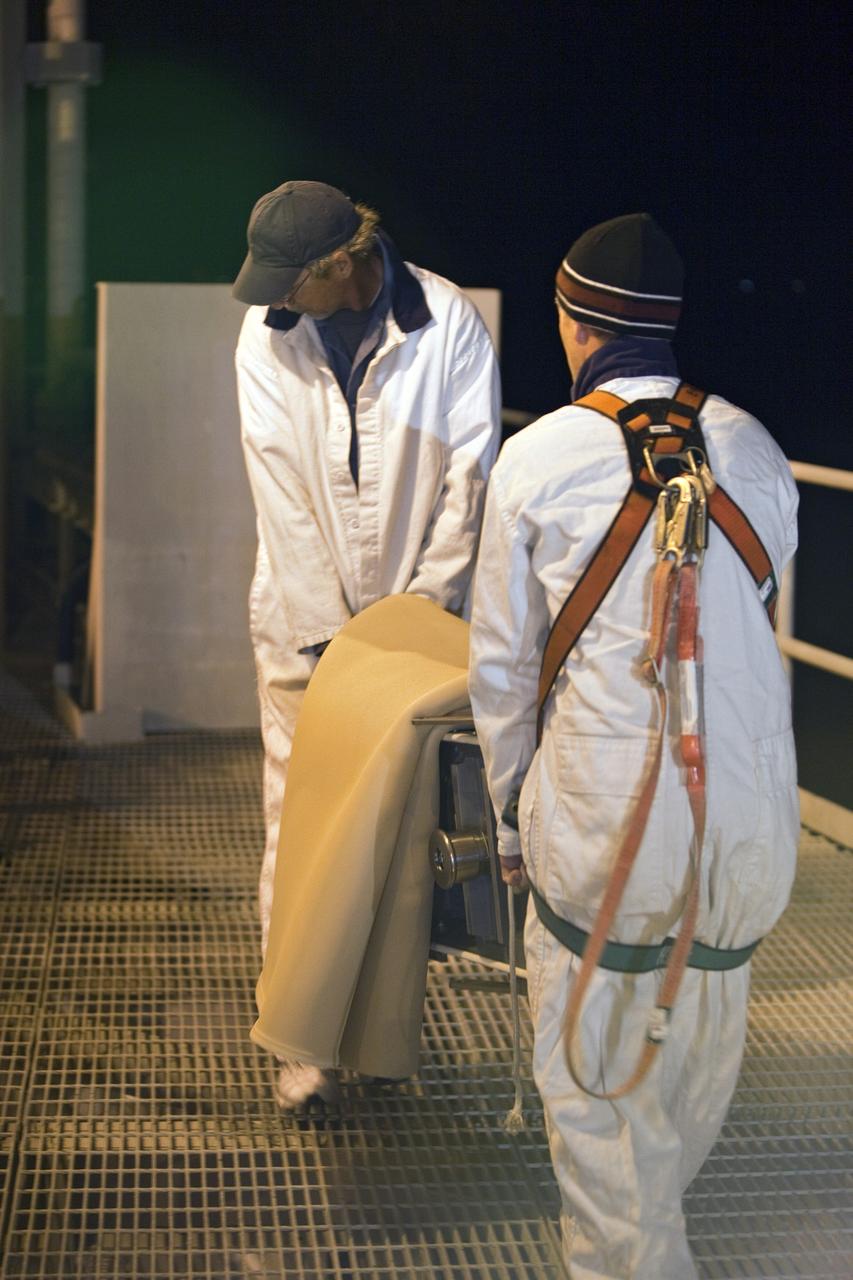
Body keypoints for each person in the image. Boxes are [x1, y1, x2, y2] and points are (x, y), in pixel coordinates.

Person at [468, 213, 799, 1278]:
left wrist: (514, 818)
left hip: (607, 831)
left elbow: (504, 673)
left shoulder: (535, 461)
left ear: (574, 326)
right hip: (743, 827)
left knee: (596, 1093)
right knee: (690, 1057)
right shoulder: (752, 446)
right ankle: (655, 1228)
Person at [232, 180, 501, 1107]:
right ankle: (305, 1040)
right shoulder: (267, 335)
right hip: (303, 634)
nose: (272, 296)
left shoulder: (450, 324)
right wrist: (326, 636)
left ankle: (379, 1039)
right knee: (296, 825)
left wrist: (409, 623)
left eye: (287, 279)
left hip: (405, 640)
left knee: (400, 836)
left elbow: (469, 484)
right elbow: (278, 491)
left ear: (341, 264)